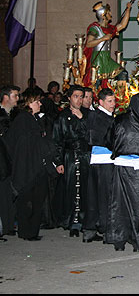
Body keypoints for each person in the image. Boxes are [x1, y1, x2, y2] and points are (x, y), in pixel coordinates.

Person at [105, 93, 139, 252]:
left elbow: (109, 140)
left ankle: (119, 239)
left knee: (120, 204)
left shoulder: (120, 119)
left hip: (122, 166)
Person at [5, 89, 56, 241]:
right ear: (29, 103)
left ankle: (32, 231)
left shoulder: (35, 119)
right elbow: (21, 144)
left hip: (37, 166)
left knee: (38, 200)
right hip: (28, 167)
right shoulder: (23, 119)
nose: (40, 104)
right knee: (26, 201)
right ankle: (26, 231)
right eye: (37, 101)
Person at [52, 85, 90, 237]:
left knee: (86, 189)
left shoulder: (87, 115)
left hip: (85, 157)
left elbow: (91, 134)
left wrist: (81, 118)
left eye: (81, 97)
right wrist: (58, 161)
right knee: (71, 189)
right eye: (76, 96)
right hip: (70, 158)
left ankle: (85, 220)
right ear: (69, 98)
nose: (79, 100)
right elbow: (57, 140)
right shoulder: (62, 117)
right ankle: (72, 221)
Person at [83, 88, 117, 243]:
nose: (113, 104)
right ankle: (106, 228)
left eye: (114, 101)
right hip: (105, 161)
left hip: (96, 160)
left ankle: (91, 228)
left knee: (94, 196)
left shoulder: (95, 116)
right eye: (110, 101)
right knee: (106, 197)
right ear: (101, 102)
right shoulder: (102, 117)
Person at [83, 1, 132, 86]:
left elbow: (122, 25)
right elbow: (89, 44)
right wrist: (103, 38)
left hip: (107, 58)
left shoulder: (110, 28)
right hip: (98, 58)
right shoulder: (94, 28)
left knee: (123, 73)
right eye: (108, 12)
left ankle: (121, 96)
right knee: (97, 81)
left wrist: (128, 9)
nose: (110, 14)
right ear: (103, 15)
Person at [0, 84, 20, 240]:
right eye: (15, 96)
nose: (17, 99)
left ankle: (8, 225)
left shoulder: (12, 115)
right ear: (6, 97)